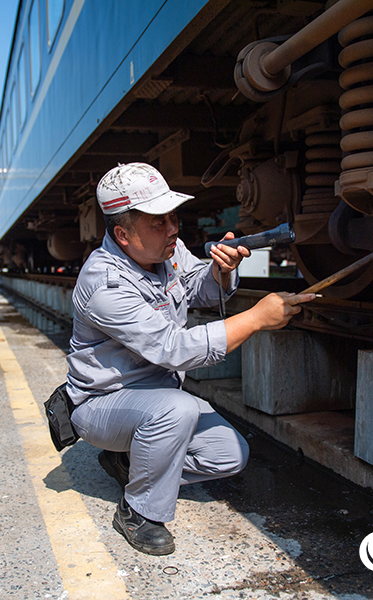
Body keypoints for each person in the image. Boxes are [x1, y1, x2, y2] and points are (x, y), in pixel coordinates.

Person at [66, 162, 315, 556]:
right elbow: (173, 349)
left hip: (160, 399)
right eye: (157, 222)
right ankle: (138, 511)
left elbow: (197, 285)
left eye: (172, 218)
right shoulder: (104, 285)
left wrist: (219, 272)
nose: (172, 229)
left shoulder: (167, 250)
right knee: (175, 410)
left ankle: (130, 467)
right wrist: (254, 320)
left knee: (229, 454)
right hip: (103, 404)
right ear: (123, 235)